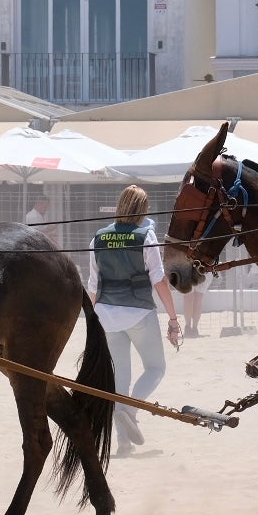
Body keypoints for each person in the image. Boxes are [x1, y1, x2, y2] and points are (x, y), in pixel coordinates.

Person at [87, 186, 182, 454]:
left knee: (121, 379)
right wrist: (173, 319)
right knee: (155, 368)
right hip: (138, 312)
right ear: (142, 210)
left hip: (106, 315)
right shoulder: (145, 235)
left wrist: (93, 323)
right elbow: (160, 280)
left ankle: (123, 442)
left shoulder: (99, 238)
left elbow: (93, 285)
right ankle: (129, 409)